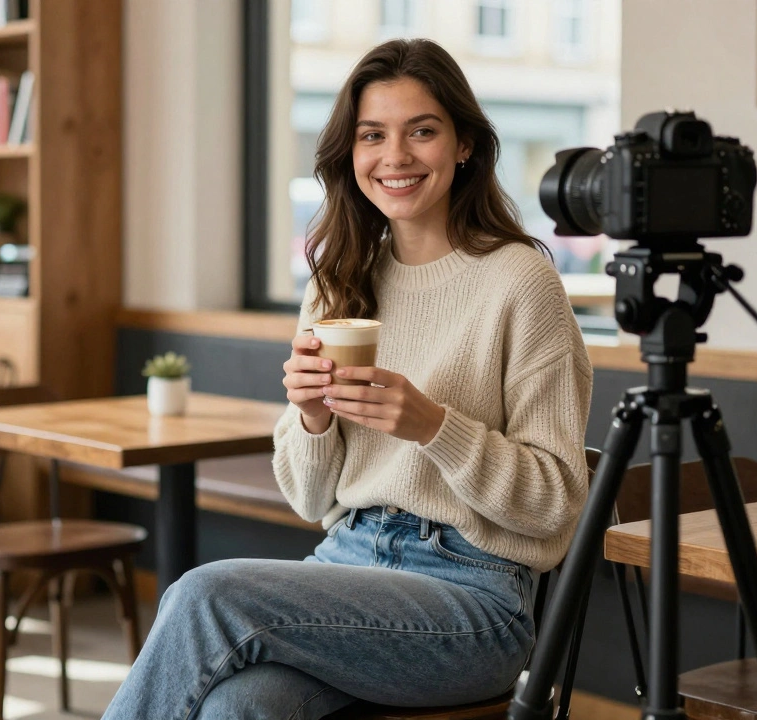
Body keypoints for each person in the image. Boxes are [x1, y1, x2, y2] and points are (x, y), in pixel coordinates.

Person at [102, 38, 592, 720]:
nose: (395, 157)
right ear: (350, 153)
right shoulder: (340, 279)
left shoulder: (522, 282)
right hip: (345, 563)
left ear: (464, 146)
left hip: (473, 598)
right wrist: (311, 417)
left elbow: (557, 502)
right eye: (372, 135)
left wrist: (434, 428)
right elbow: (308, 500)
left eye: (422, 131)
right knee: (240, 709)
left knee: (202, 595)